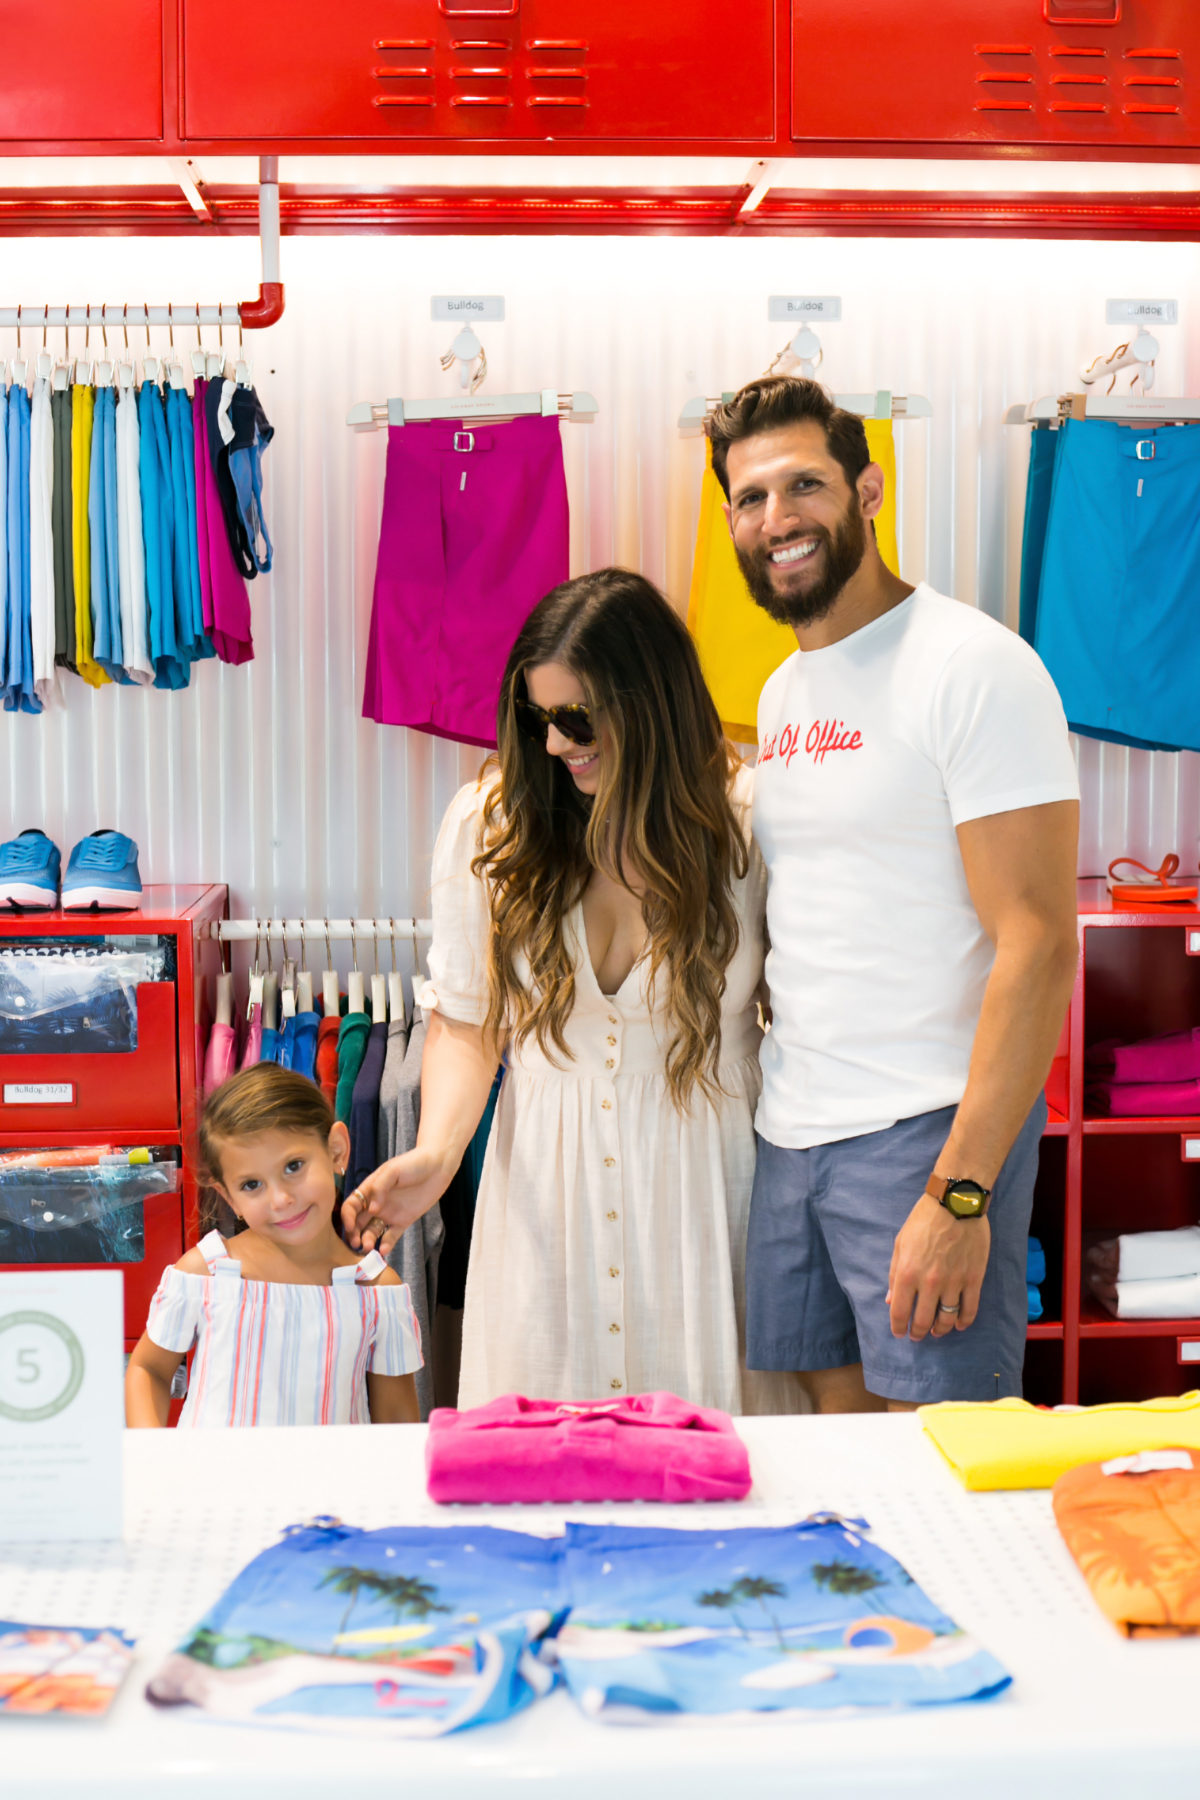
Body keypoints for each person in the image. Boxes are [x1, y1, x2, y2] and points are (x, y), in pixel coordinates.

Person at [705, 375, 1080, 1412]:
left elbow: (1040, 944)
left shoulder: (972, 667)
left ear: (868, 491)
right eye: (750, 498)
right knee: (838, 1458)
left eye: (804, 486)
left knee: (944, 1462)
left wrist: (961, 1192)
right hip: (795, 1129)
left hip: (925, 1132)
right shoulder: (782, 691)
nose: (776, 520)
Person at [344, 567, 802, 1415]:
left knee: (716, 1480)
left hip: (710, 1188)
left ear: (652, 703)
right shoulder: (493, 826)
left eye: (578, 719)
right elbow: (466, 1024)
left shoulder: (751, 822)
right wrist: (440, 1155)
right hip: (544, 1193)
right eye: (537, 718)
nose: (555, 745)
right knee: (543, 1469)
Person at [125, 1064, 422, 1428]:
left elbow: (397, 1420)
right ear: (228, 1196)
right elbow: (148, 1369)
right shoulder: (204, 1275)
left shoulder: (376, 1292)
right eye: (252, 1185)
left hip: (331, 1485)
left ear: (336, 1150)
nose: (280, 1199)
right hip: (210, 1484)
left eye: (293, 1166)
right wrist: (153, 1461)